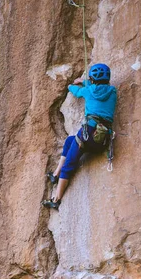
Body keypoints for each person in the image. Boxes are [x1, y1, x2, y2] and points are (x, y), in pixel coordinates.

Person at [42, 63, 117, 210]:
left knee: (69, 164)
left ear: (92, 79)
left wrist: (72, 85)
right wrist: (87, 83)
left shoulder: (88, 91)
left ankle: (56, 199)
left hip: (87, 135)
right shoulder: (113, 91)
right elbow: (98, 87)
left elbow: (76, 91)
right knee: (70, 140)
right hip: (102, 140)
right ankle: (55, 175)